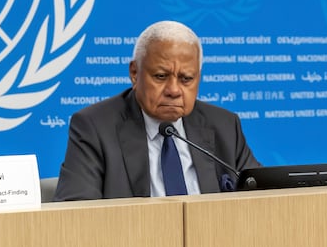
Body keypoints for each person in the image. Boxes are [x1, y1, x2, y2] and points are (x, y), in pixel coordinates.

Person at [54, 20, 260, 201]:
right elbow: (76, 211)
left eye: (186, 79)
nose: (173, 90)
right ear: (135, 73)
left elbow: (261, 195)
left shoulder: (224, 125)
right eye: (161, 76)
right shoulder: (95, 127)